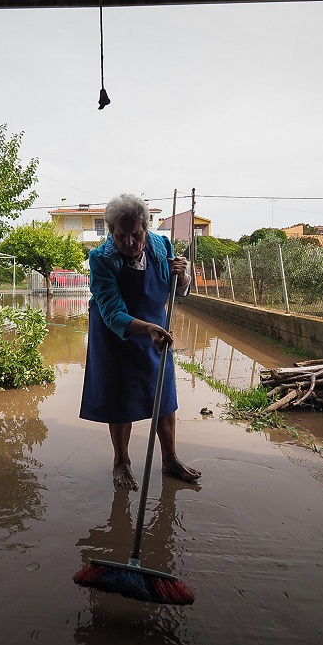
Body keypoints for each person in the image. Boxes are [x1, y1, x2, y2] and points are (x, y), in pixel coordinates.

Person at [79, 193, 201, 490]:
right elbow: (111, 311)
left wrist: (183, 278)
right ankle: (121, 462)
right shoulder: (102, 259)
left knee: (163, 394)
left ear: (145, 229)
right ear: (111, 233)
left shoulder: (162, 246)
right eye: (122, 236)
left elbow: (178, 291)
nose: (130, 242)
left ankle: (170, 459)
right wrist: (146, 328)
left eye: (136, 234)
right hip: (116, 333)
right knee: (122, 397)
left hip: (156, 329)